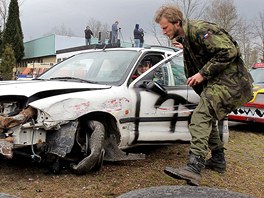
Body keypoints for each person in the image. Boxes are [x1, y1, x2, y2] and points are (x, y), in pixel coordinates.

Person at [154, 4, 253, 186]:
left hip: (229, 81)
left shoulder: (200, 30)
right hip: (218, 82)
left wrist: (202, 74)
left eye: (165, 27)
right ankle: (217, 159)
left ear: (177, 22)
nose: (163, 32)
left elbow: (228, 51)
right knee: (202, 119)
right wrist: (186, 46)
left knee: (200, 116)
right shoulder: (188, 37)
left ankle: (194, 167)